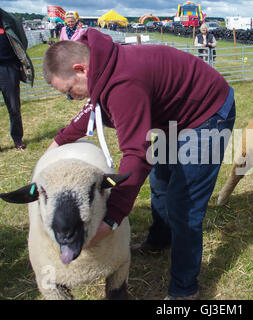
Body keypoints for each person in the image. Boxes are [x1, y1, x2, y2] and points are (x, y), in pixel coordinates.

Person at [42, 28, 235, 299]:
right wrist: (54, 149)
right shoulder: (103, 69)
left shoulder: (122, 83)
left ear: (80, 69)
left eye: (70, 90)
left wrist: (111, 218)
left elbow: (136, 154)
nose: (72, 97)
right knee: (160, 181)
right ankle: (160, 238)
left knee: (185, 208)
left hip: (207, 114)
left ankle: (184, 291)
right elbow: (91, 111)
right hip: (177, 119)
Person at [0, 9, 34, 150]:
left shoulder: (8, 20)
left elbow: (21, 41)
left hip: (8, 68)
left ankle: (17, 139)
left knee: (14, 107)